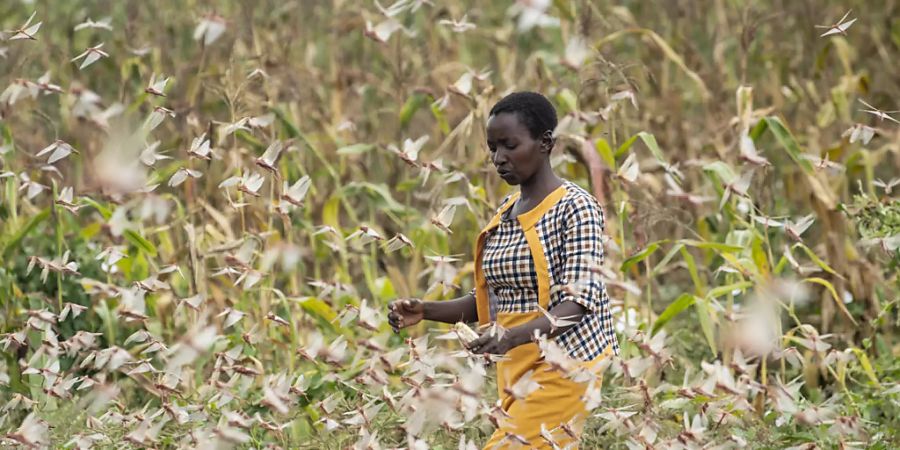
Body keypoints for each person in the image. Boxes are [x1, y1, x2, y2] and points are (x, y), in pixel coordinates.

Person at [387, 91, 619, 449]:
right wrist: (427, 310)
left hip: (566, 365)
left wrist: (510, 337)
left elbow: (578, 304)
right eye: (493, 148)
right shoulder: (507, 211)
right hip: (516, 368)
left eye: (510, 145)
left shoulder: (577, 208)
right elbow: (495, 300)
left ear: (545, 143)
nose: (498, 158)